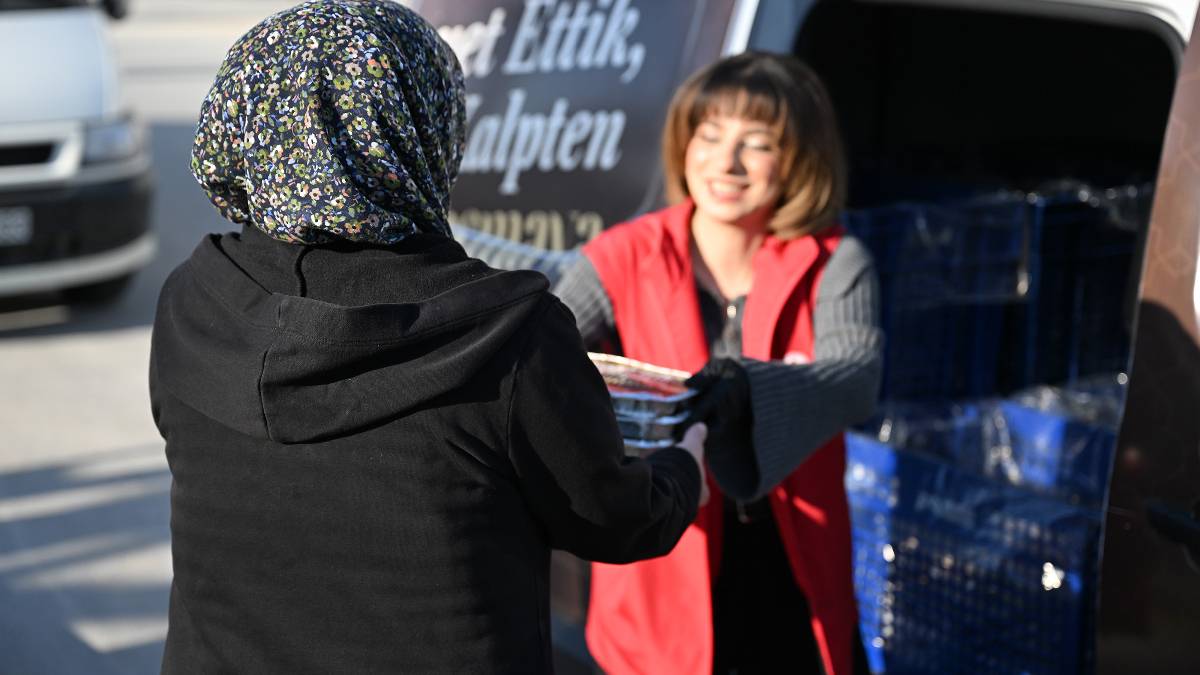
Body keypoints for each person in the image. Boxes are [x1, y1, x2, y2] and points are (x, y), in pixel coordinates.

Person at [148, 2, 706, 673]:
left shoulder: (194, 297)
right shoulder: (507, 332)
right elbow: (614, 518)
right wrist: (687, 464)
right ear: (427, 124)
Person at [554, 53, 884, 675]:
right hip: (660, 557)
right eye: (709, 136)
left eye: (756, 144)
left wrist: (748, 392)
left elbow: (857, 376)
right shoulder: (625, 253)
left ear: (799, 160)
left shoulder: (837, 260)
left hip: (790, 563)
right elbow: (546, 348)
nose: (725, 163)